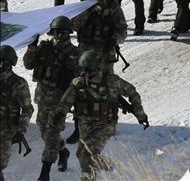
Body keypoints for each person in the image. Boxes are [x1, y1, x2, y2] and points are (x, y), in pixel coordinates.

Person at [55, 50, 148, 181]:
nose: (87, 73)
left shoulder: (113, 81)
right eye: (85, 70)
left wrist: (140, 114)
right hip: (85, 125)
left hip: (106, 124)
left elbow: (133, 93)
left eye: (90, 70)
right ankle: (108, 165)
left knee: (86, 157)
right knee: (81, 154)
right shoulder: (78, 83)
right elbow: (65, 102)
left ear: (98, 68)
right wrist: (59, 116)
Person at [24, 16, 80, 180]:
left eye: (64, 33)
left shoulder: (75, 54)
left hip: (60, 102)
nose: (60, 35)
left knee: (51, 136)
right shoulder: (44, 48)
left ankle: (44, 173)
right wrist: (32, 48)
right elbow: (28, 64)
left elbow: (79, 81)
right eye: (57, 32)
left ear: (69, 33)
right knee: (44, 131)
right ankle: (63, 151)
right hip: (42, 99)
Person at [0, 44, 34, 179]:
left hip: (6, 131)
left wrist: (21, 130)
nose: (3, 65)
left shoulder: (19, 84)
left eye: (6, 62)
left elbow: (27, 109)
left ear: (12, 63)